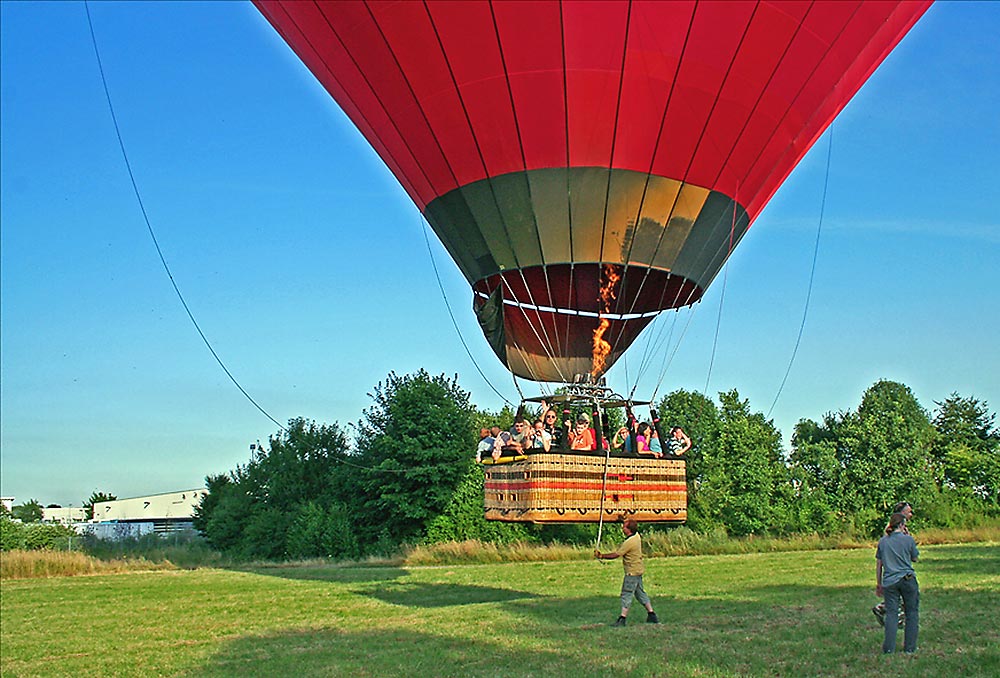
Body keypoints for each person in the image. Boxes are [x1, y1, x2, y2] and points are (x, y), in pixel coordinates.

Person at [594, 518, 659, 626]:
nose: (622, 528)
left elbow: (617, 554)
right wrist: (622, 518)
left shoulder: (629, 542)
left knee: (626, 594)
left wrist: (602, 556)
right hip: (638, 570)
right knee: (640, 593)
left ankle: (622, 618)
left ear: (628, 529)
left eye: (624, 526)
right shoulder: (637, 536)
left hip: (631, 572)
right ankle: (652, 614)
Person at [876, 512, 920, 654]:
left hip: (889, 581)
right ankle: (910, 648)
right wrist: (907, 536)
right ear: (902, 525)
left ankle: (889, 648)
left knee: (891, 614)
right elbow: (915, 558)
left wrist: (879, 583)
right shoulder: (908, 540)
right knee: (911, 613)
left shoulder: (883, 541)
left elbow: (879, 564)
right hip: (907, 579)